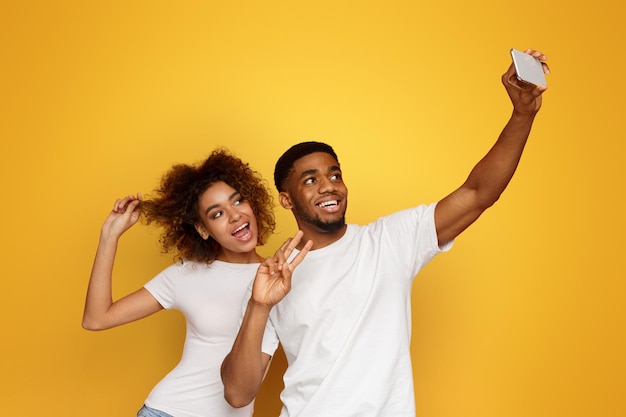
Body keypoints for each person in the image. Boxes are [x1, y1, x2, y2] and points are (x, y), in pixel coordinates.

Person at [221, 49, 550, 417]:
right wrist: (259, 306)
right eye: (310, 180)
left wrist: (522, 115)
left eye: (334, 174)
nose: (329, 186)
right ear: (286, 199)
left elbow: (478, 194)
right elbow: (237, 394)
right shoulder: (272, 279)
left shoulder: (389, 241)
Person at [82, 149, 310, 417]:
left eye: (237, 202)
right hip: (167, 411)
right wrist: (109, 236)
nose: (235, 215)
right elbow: (96, 319)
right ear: (203, 229)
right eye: (217, 214)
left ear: (252, 204)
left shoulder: (278, 280)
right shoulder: (187, 274)